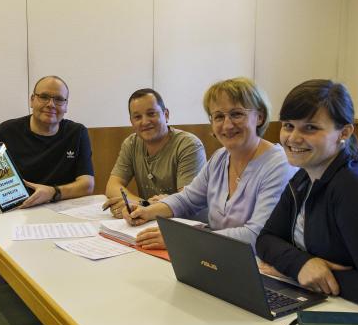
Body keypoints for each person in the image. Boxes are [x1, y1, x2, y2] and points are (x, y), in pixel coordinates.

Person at [256, 79, 358, 315]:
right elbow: (266, 239)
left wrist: (296, 271)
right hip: (334, 304)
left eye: (310, 128)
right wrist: (301, 265)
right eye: (288, 125)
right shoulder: (303, 177)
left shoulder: (355, 189)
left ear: (344, 132)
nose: (293, 138)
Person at [123, 77, 293, 250]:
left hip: (257, 266)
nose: (227, 125)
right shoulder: (220, 158)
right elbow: (187, 199)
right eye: (218, 116)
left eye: (236, 114)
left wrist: (183, 239)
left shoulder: (279, 165)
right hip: (215, 257)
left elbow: (257, 235)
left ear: (260, 117)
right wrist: (146, 211)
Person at [0, 75, 94, 208]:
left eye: (59, 99)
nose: (51, 104)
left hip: (61, 209)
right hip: (17, 211)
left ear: (66, 105)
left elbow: (87, 185)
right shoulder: (6, 131)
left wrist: (52, 192)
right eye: (44, 97)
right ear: (32, 101)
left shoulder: (77, 132)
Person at [102, 88, 206, 218]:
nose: (145, 122)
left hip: (186, 224)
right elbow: (112, 186)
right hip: (151, 219)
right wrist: (143, 204)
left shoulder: (189, 145)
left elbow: (186, 202)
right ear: (131, 122)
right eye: (137, 117)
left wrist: (142, 207)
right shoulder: (131, 144)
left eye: (151, 114)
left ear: (166, 115)